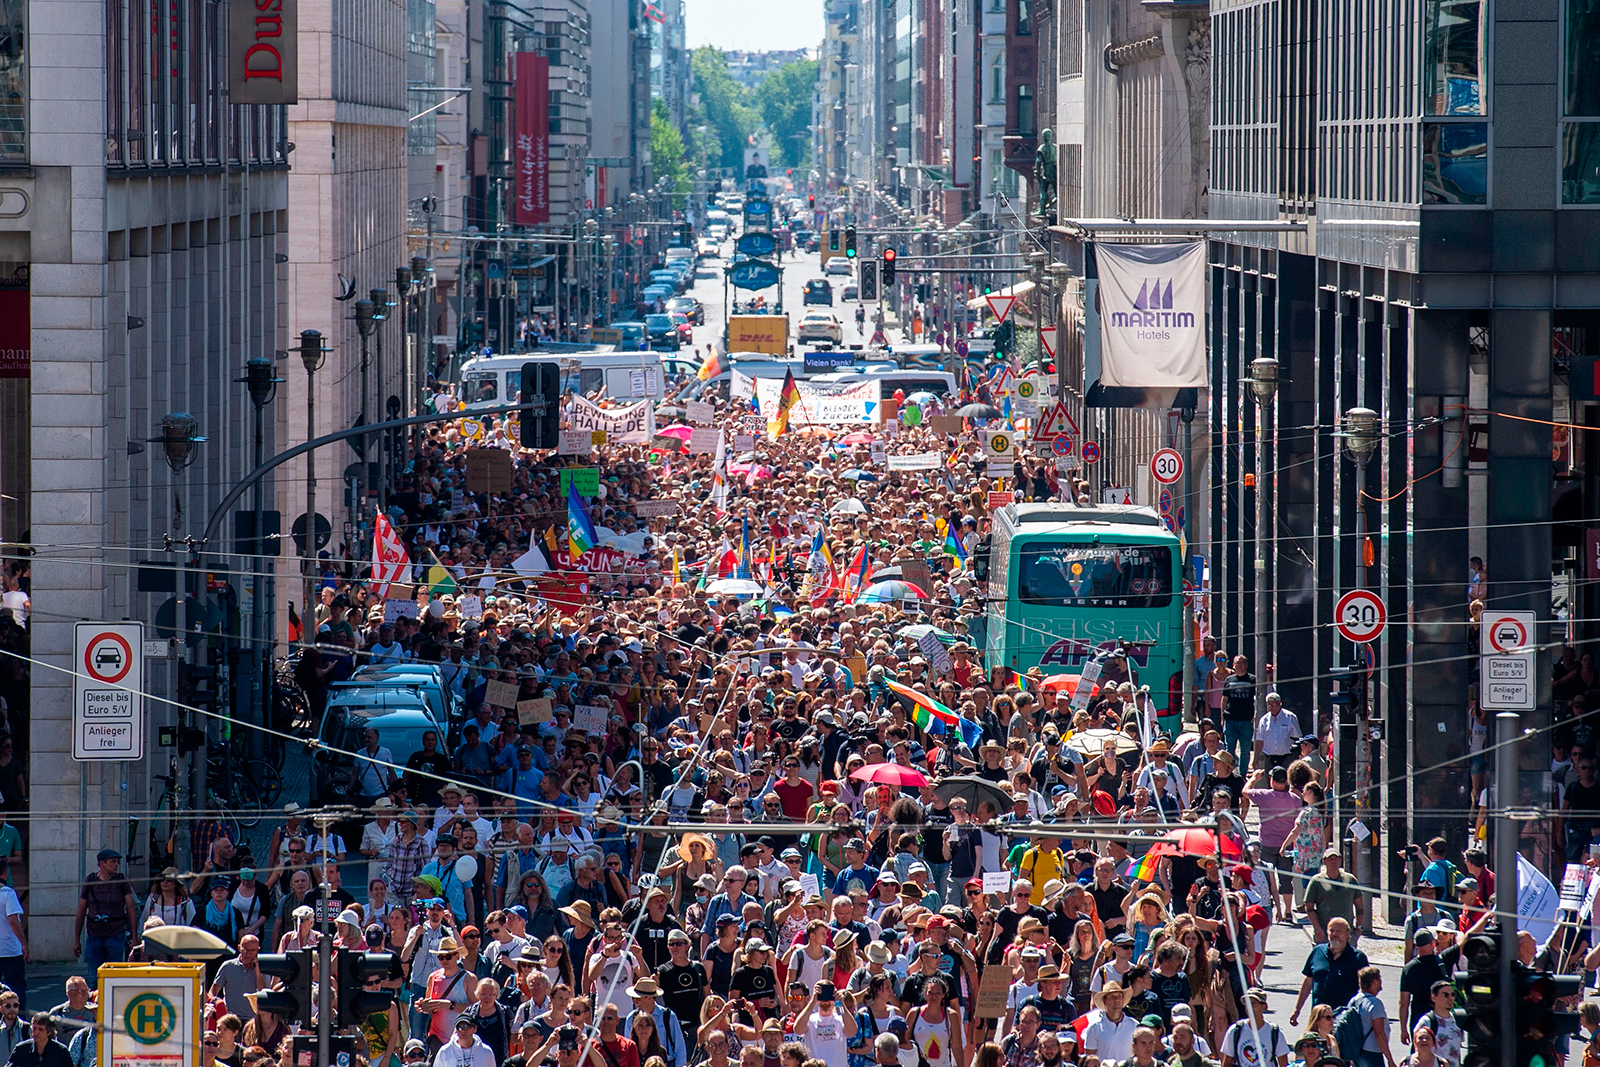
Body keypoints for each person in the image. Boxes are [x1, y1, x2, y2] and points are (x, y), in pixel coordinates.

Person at [74, 848, 138, 972]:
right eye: (112, 862)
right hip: (94, 936)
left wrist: (134, 937)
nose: (116, 865)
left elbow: (131, 909)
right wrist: (76, 939)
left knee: (113, 976)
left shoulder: (121, 881)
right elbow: (81, 911)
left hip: (116, 934)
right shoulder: (90, 880)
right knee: (94, 978)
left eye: (117, 862)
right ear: (102, 864)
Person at [1219, 990, 1288, 1067]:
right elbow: (1227, 1063)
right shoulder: (1235, 1031)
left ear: (1264, 1006)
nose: (1250, 1007)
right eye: (1247, 1004)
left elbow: (1284, 1064)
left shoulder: (1274, 1032)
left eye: (1254, 1004)